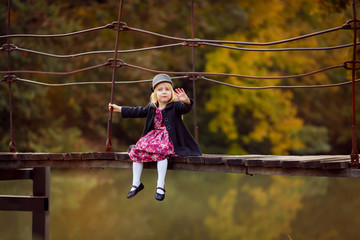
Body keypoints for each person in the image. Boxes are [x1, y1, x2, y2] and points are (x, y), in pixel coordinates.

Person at [109, 74, 201, 201]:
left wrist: (186, 101)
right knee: (136, 150)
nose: (164, 92)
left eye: (167, 89)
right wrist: (120, 109)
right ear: (155, 94)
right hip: (153, 137)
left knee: (161, 152)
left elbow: (186, 108)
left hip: (168, 139)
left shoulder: (175, 106)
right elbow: (138, 111)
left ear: (172, 93)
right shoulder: (152, 108)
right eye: (160, 90)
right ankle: (136, 183)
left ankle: (160, 185)